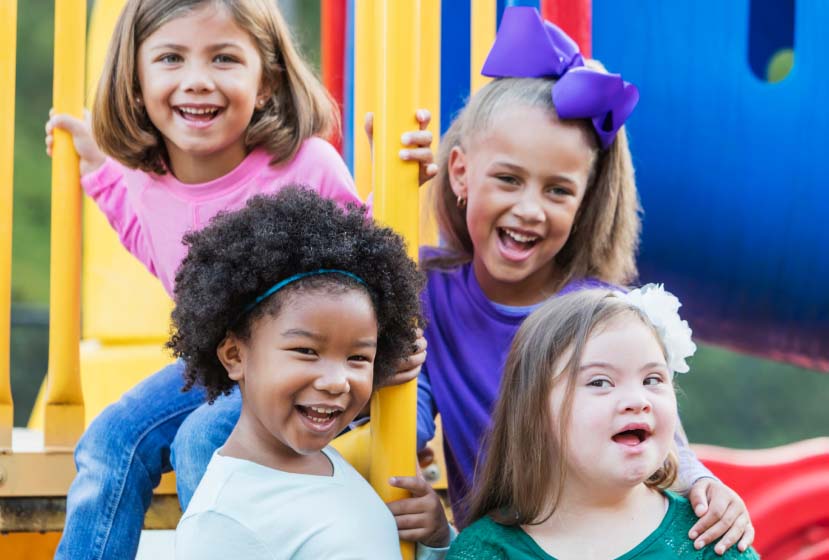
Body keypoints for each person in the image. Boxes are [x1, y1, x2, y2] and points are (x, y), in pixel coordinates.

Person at [44, 0, 429, 557]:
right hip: (233, 366)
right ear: (134, 82)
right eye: (171, 58)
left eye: (224, 58)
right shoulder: (147, 185)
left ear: (267, 81)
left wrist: (406, 181)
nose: (197, 81)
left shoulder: (305, 165)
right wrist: (94, 167)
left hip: (329, 365)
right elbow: (136, 226)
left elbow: (367, 257)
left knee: (205, 436)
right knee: (110, 440)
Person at [417, 6, 753, 555]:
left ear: (584, 200)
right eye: (508, 179)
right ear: (460, 173)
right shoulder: (431, 296)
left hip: (606, 533)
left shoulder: (601, 311)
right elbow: (395, 410)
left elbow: (664, 443)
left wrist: (706, 485)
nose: (530, 208)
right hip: (508, 542)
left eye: (557, 191)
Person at [168, 187, 450, 559]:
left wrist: (437, 538)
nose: (336, 381)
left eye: (358, 358)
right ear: (235, 355)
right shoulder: (222, 521)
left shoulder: (331, 464)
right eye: (306, 351)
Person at [446, 286, 759, 559]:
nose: (638, 400)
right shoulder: (486, 551)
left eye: (652, 378)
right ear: (536, 411)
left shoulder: (711, 540)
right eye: (600, 382)